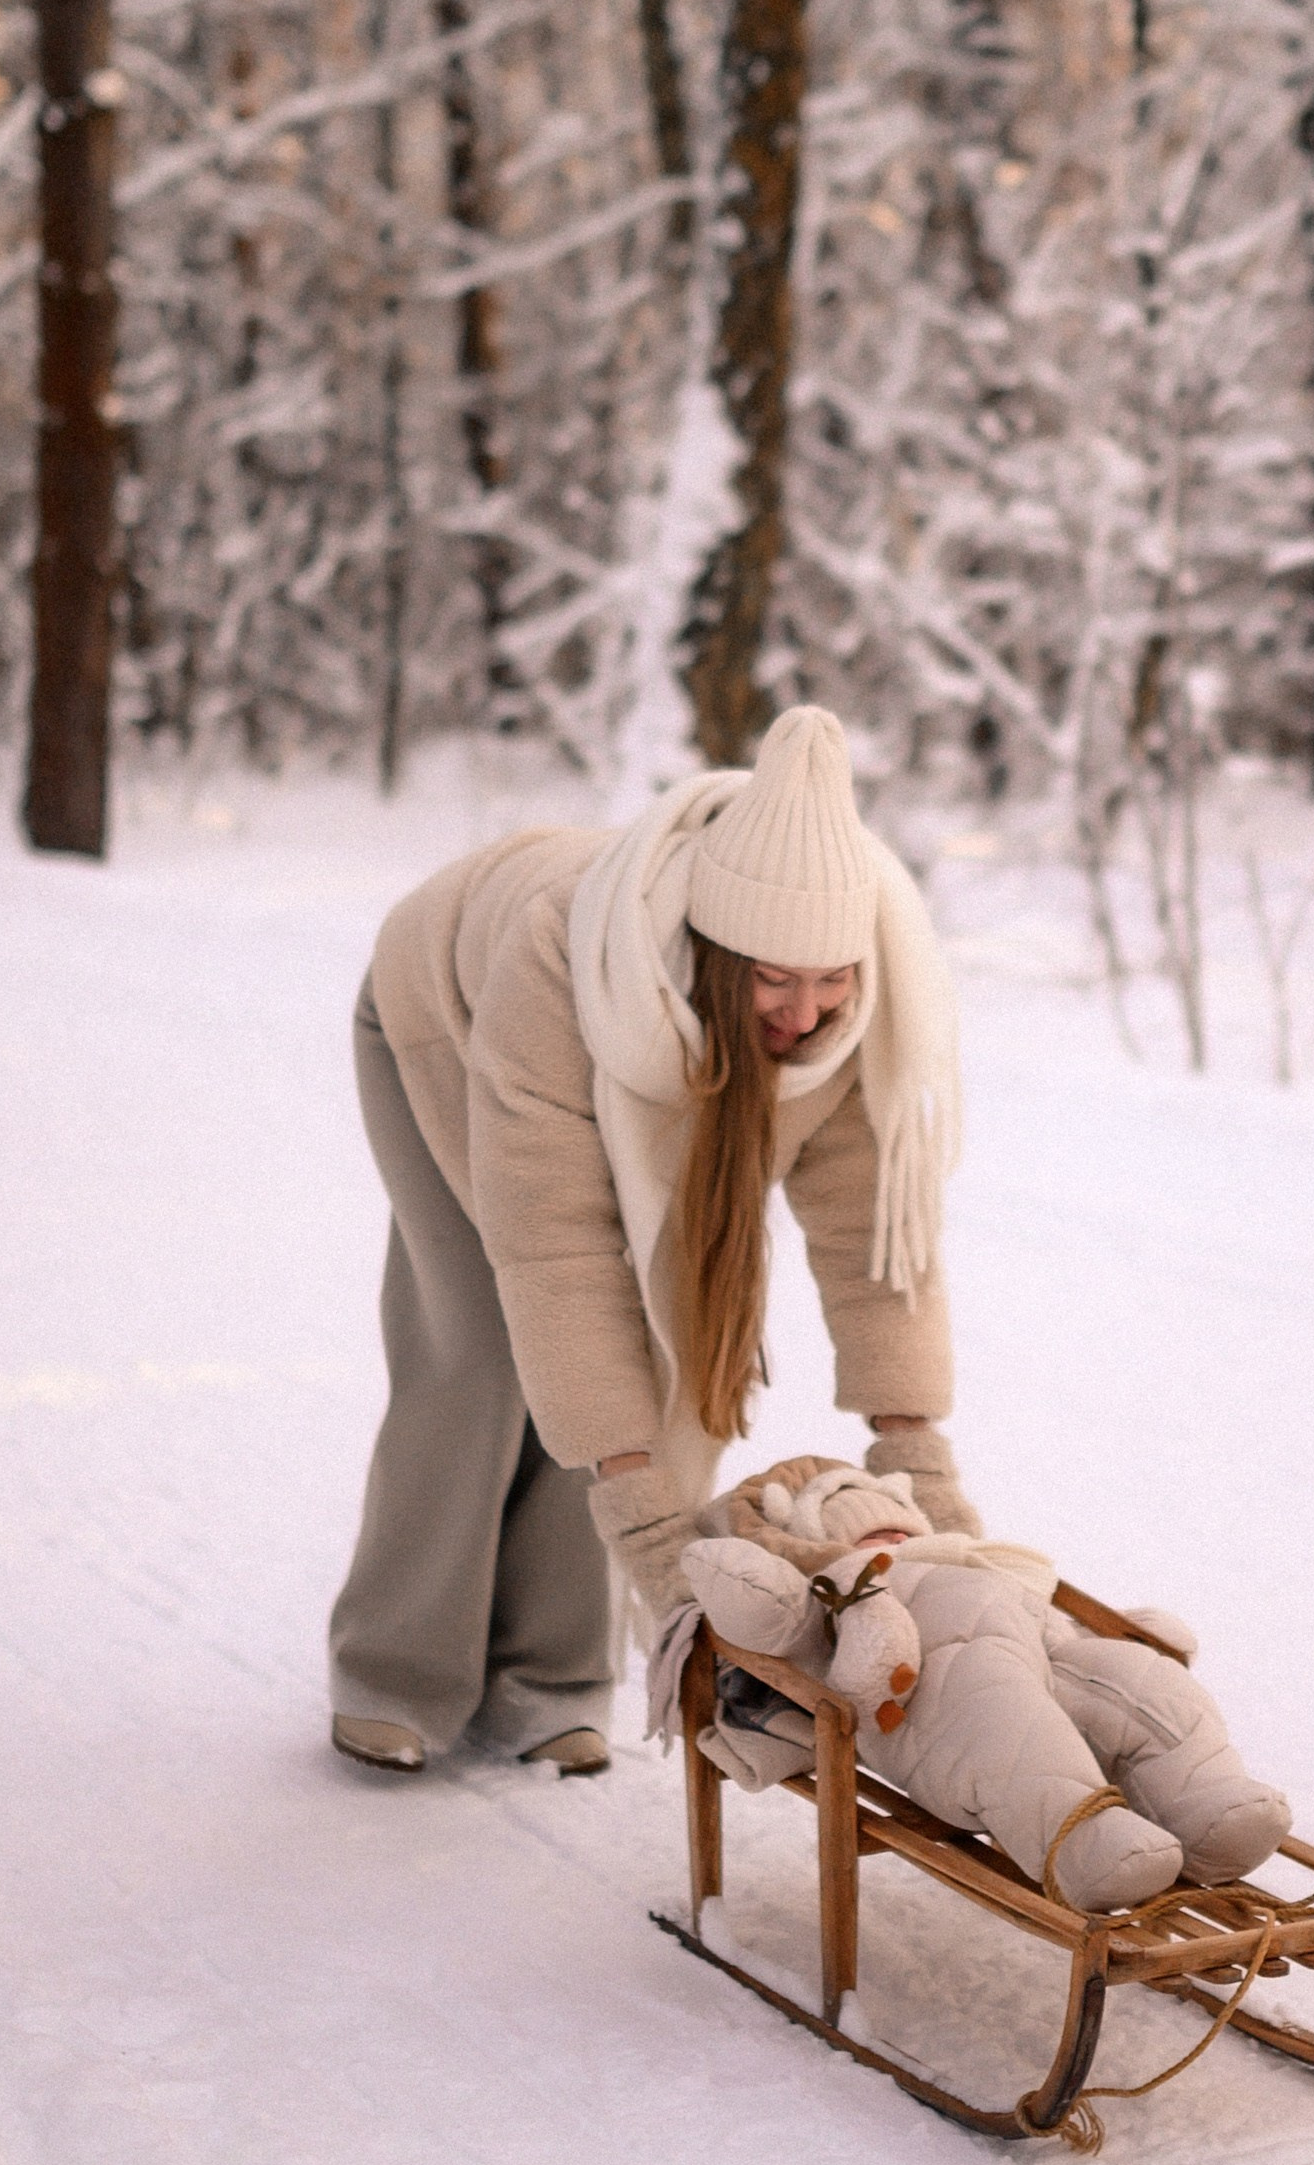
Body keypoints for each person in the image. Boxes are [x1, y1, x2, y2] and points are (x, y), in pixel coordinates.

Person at [326, 706, 979, 1776]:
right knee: (487, 1355)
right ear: (716, 954)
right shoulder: (557, 960)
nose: (807, 1011)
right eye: (773, 978)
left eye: (832, 979)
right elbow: (559, 1254)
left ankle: (549, 1678)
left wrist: (913, 1447)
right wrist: (643, 1521)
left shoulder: (858, 1023)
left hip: (620, 1069)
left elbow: (876, 1247)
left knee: (646, 1357)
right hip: (442, 1023)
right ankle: (398, 1669)